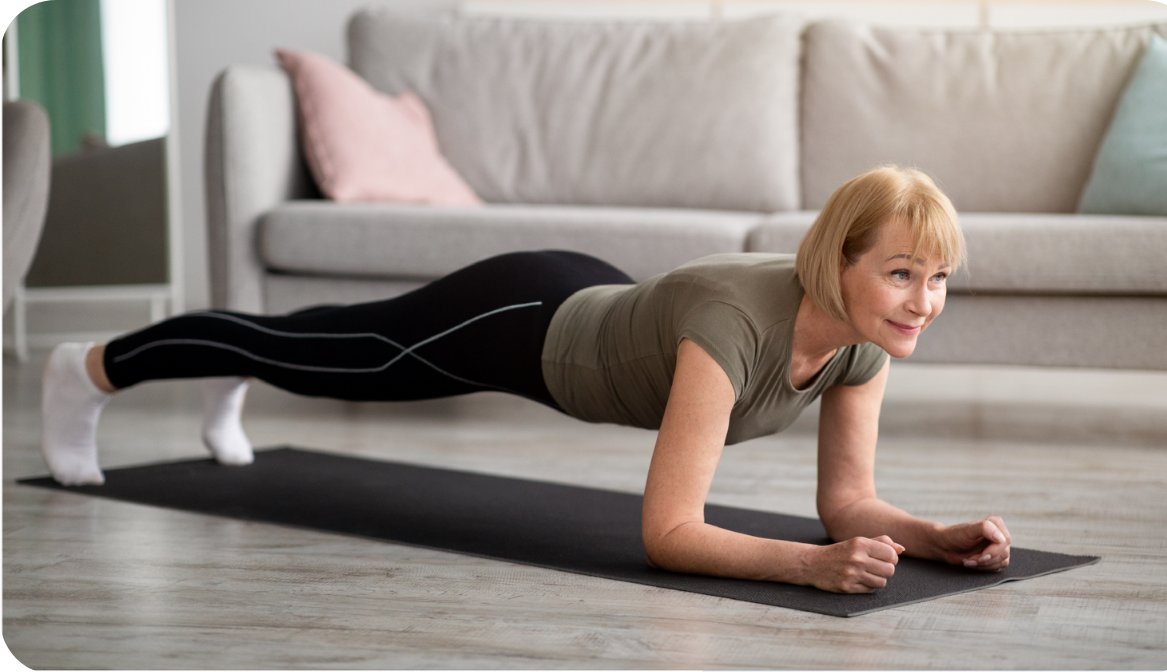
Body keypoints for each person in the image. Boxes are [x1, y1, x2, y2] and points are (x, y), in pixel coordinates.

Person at [40, 165, 1010, 594]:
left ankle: (233, 370)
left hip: (586, 298)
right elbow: (668, 534)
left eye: (938, 280)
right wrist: (803, 565)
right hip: (522, 325)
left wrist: (929, 538)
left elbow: (845, 503)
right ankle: (90, 370)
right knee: (329, 352)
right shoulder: (734, 325)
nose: (923, 301)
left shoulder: (863, 342)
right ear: (836, 259)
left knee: (308, 342)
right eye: (900, 273)